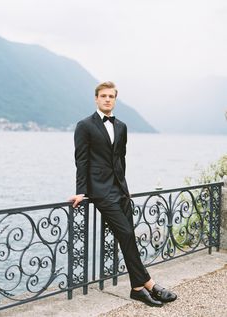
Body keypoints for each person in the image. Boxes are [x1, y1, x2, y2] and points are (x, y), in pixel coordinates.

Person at [70, 81, 177, 307]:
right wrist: (81, 191)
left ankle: (138, 287)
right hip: (100, 191)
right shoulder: (84, 125)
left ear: (115, 99)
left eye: (111, 96)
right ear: (96, 99)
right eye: (104, 96)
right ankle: (147, 284)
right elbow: (81, 160)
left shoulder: (122, 126)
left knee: (128, 238)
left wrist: (124, 188)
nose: (107, 99)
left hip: (120, 190)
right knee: (127, 234)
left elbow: (121, 158)